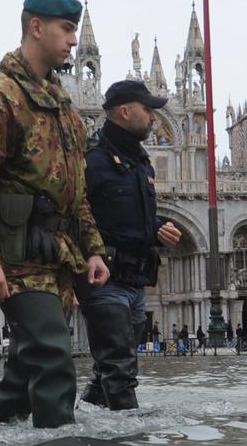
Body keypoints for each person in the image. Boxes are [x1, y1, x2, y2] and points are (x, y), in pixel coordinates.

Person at [0, 0, 109, 427]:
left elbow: (75, 193)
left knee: (25, 370)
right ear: (36, 28)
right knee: (55, 360)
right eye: (66, 29)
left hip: (56, 254)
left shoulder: (65, 110)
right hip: (16, 256)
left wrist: (93, 249)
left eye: (76, 30)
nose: (73, 41)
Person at [75, 79, 182, 410]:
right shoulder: (92, 159)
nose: (154, 118)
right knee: (120, 369)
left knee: (108, 371)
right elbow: (75, 214)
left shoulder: (140, 161)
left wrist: (157, 230)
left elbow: (131, 217)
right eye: (147, 110)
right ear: (124, 111)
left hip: (136, 281)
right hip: (104, 280)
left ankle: (86, 423)